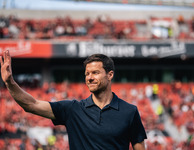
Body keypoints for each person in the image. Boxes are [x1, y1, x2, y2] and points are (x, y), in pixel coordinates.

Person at [0, 50, 147, 150]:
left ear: (110, 75)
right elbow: (31, 105)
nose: (89, 78)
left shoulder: (129, 111)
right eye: (87, 74)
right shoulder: (72, 109)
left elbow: (139, 147)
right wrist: (10, 82)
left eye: (95, 73)